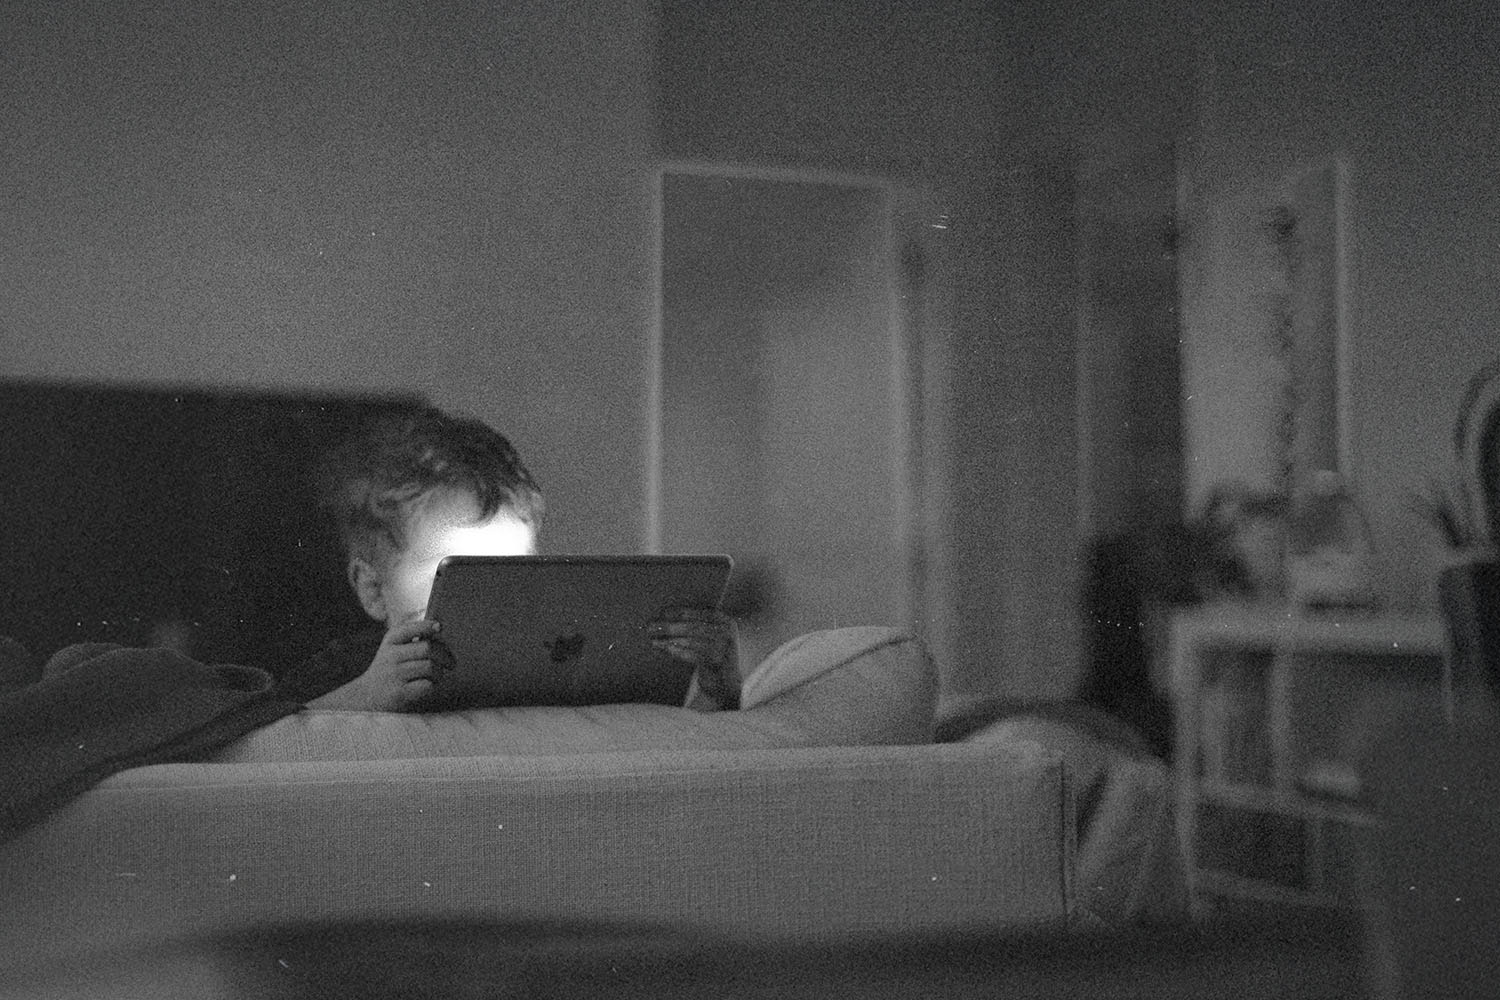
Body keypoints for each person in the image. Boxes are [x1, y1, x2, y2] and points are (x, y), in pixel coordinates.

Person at [280, 405, 740, 712]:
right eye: (458, 571)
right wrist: (364, 696)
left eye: (514, 568)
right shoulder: (355, 667)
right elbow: (273, 741)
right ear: (373, 591)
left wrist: (717, 682)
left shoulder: (555, 673)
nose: (495, 596)